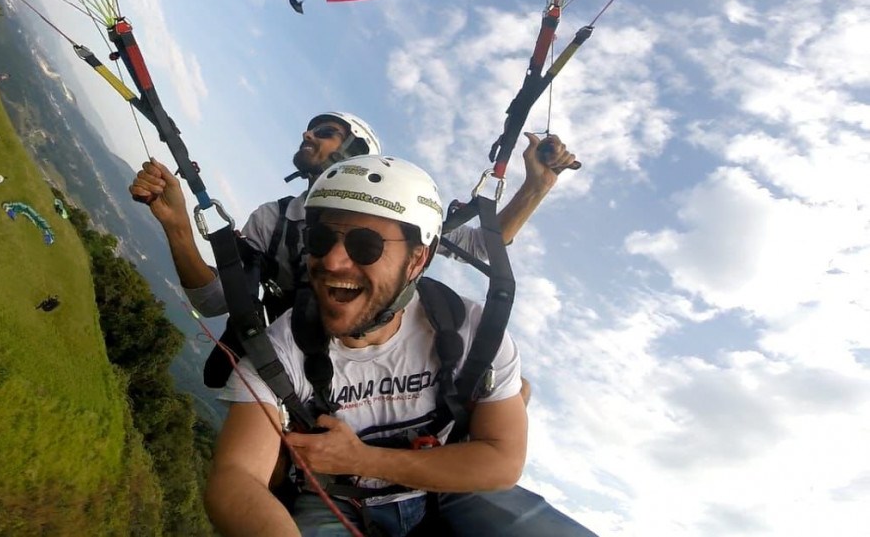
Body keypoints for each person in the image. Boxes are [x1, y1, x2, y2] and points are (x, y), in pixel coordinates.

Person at [204, 156, 594, 536]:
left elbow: (503, 461)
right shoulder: (283, 349)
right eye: (320, 240)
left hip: (444, 485)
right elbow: (237, 477)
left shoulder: (468, 330)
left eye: (365, 245)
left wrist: (363, 459)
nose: (333, 261)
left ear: (416, 259)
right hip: (338, 497)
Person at [129, 113, 575, 393]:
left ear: (356, 152)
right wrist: (178, 229)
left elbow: (484, 244)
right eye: (311, 128)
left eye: (324, 132)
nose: (307, 133)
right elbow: (214, 301)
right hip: (292, 364)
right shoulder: (276, 218)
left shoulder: (393, 214)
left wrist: (535, 187)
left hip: (374, 367)